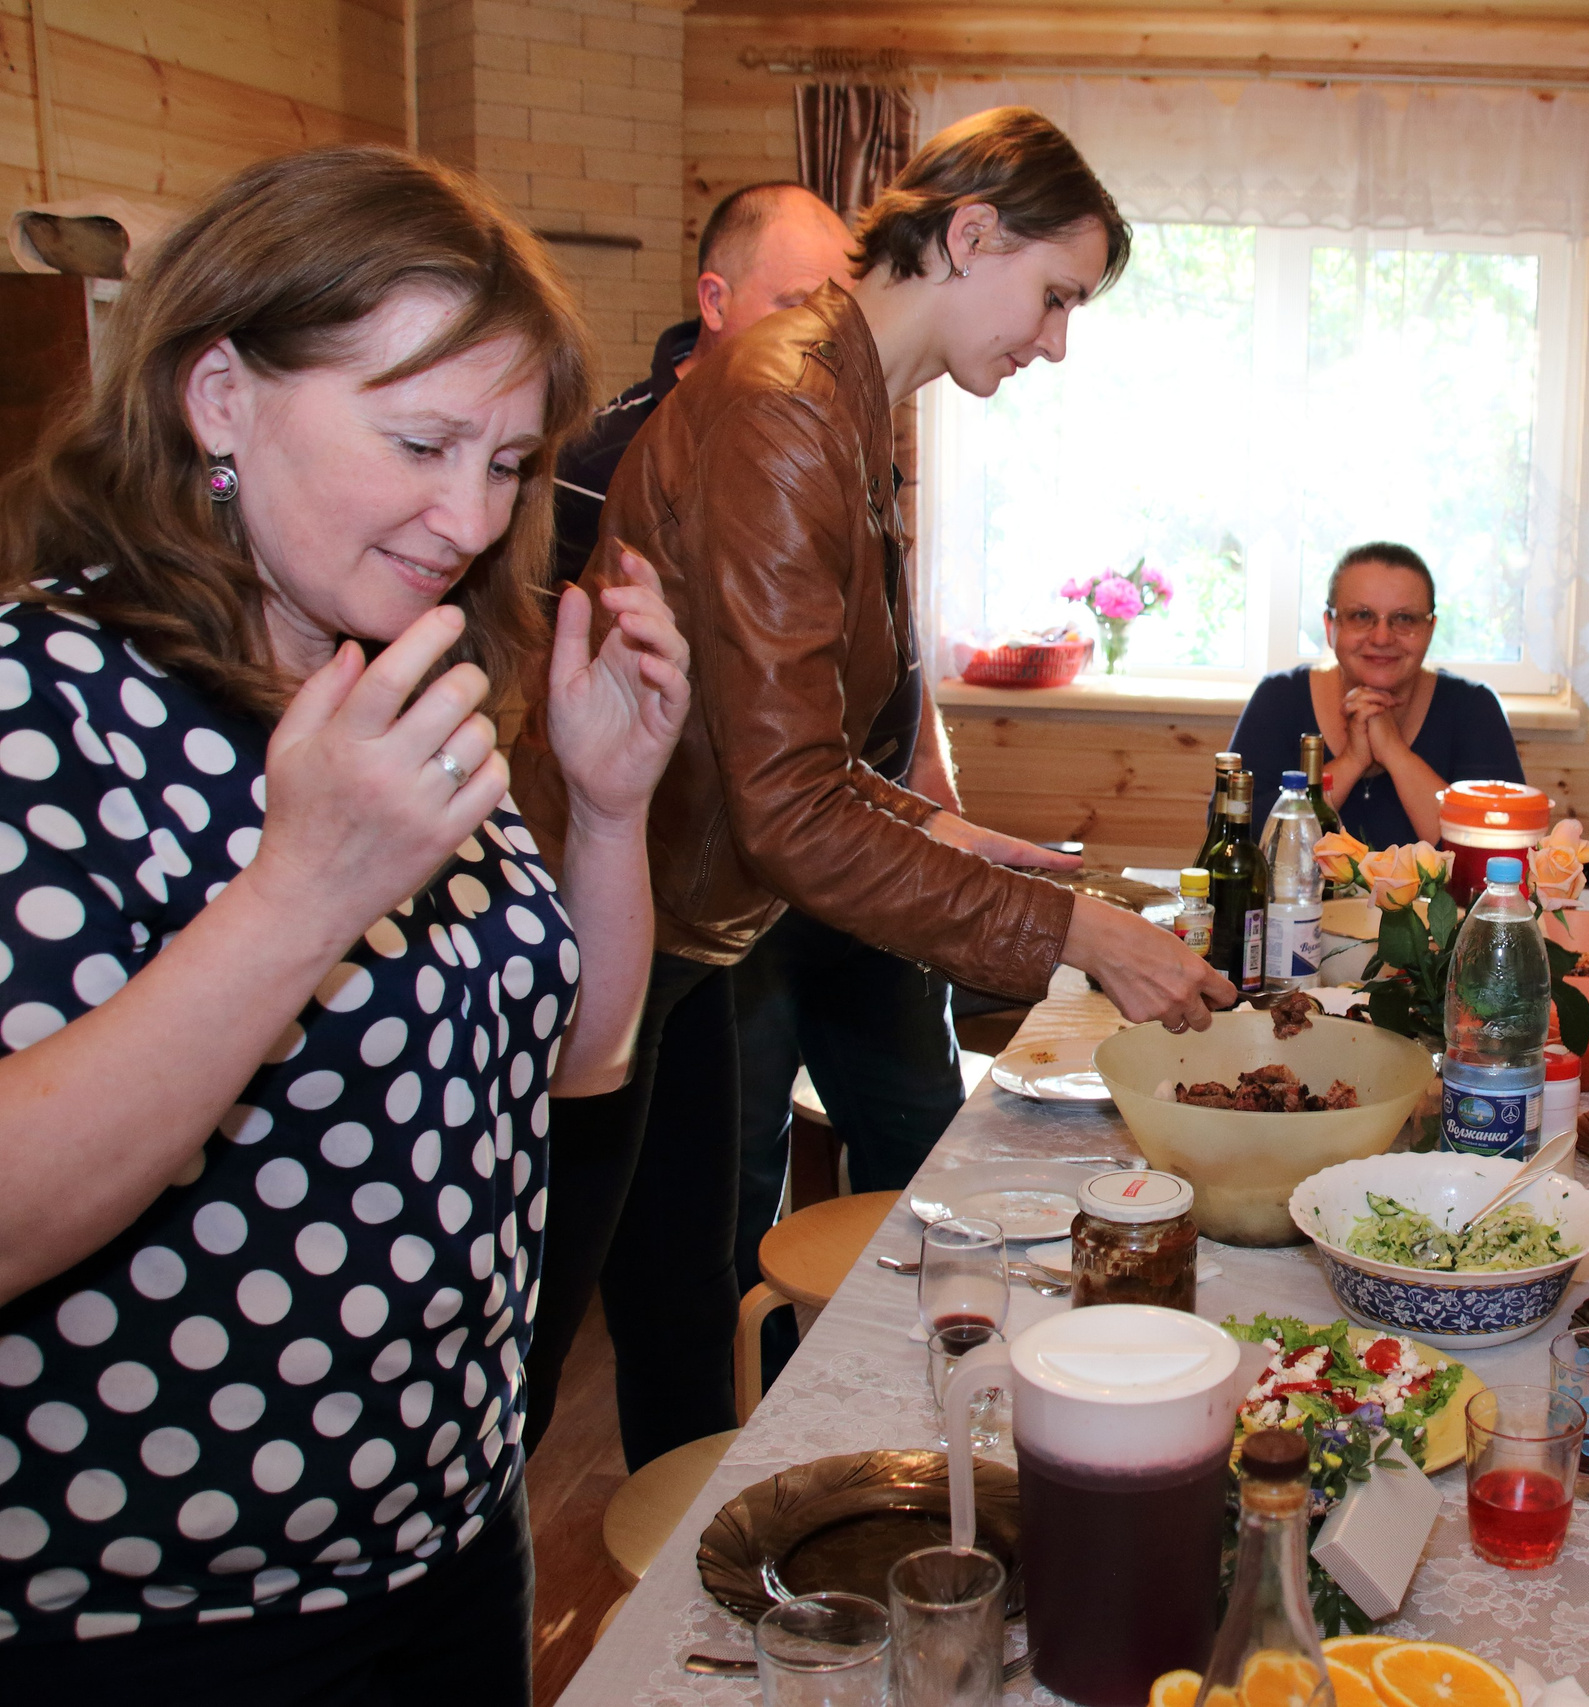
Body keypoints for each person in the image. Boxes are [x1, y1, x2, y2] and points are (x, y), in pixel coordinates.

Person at [0, 147, 688, 1703]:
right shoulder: (44, 701)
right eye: (423, 440)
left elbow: (573, 1068)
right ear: (221, 396)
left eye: (511, 462)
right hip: (150, 1634)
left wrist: (611, 800)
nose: (470, 514)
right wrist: (299, 894)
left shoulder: (378, 671)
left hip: (446, 1547)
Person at [513, 107, 1235, 1470]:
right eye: (1056, 295)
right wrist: (1083, 934)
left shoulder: (848, 399)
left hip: (680, 928)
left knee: (675, 1310)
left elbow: (784, 748)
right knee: (529, 1359)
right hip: (600, 927)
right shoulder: (789, 402)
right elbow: (787, 804)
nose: (1056, 340)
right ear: (970, 234)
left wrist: (949, 828)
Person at [540, 181, 971, 1388]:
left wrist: (927, 785)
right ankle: (762, 1424)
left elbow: (870, 642)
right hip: (713, 891)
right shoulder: (613, 456)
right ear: (714, 304)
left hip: (860, 854)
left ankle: (903, 1400)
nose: (827, 330)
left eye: (838, 302)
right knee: (716, 1204)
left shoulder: (843, 411)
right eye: (796, 303)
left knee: (921, 1143)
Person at [1227, 541, 1523, 845]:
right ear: (1330, 627)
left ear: (1430, 630)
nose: (1382, 637)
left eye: (1404, 619)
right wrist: (1351, 761)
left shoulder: (1473, 708)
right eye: (1361, 616)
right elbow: (1237, 838)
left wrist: (1394, 753)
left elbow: (1494, 850)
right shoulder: (1279, 698)